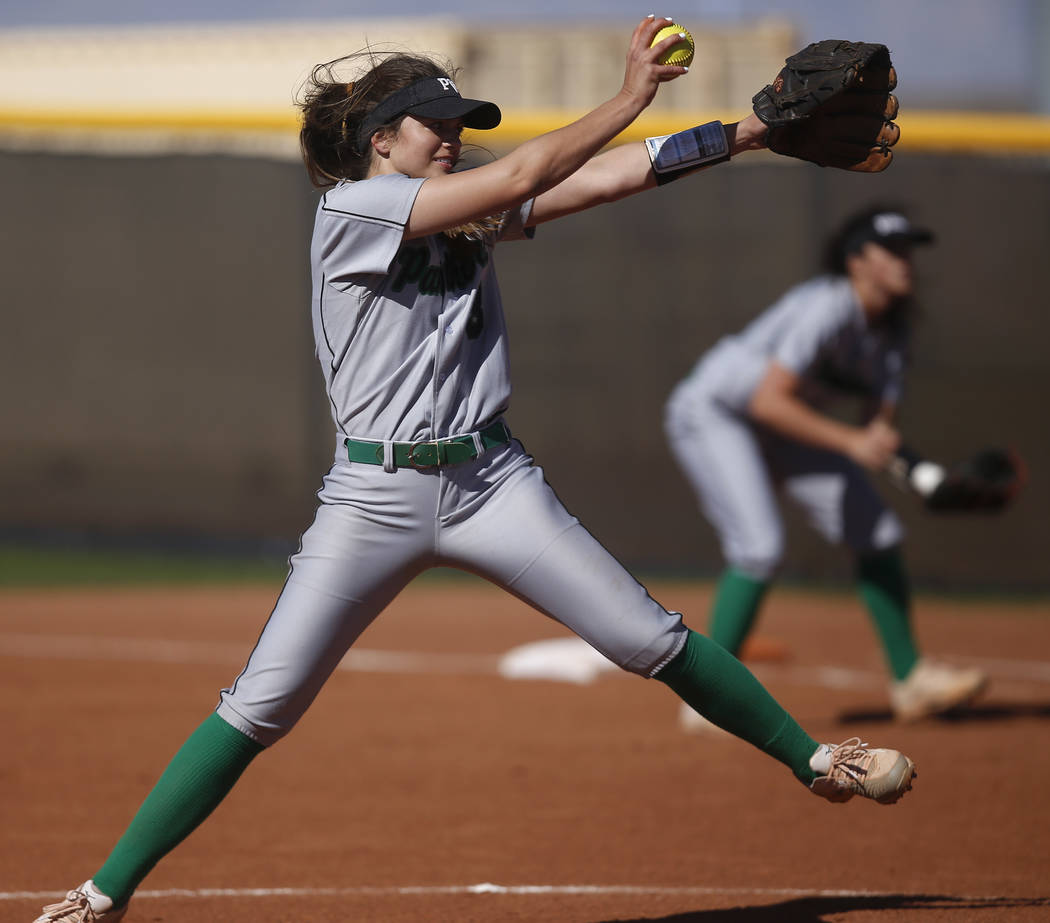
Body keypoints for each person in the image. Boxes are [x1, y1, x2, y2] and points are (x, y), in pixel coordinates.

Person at [34, 19, 915, 923]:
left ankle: (817, 761)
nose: (452, 136)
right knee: (259, 707)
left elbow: (607, 178)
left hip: (492, 482)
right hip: (373, 497)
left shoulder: (465, 210)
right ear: (382, 142)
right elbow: (529, 173)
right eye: (434, 125)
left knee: (649, 638)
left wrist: (750, 134)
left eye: (459, 123)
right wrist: (628, 97)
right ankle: (100, 896)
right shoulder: (352, 211)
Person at [664, 205, 988, 733]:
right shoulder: (828, 305)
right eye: (892, 249)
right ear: (857, 261)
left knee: (876, 530)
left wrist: (928, 478)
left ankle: (911, 681)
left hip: (785, 421)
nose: (906, 260)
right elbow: (771, 400)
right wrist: (853, 442)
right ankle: (708, 695)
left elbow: (877, 433)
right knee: (759, 545)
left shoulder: (894, 332)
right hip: (717, 412)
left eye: (910, 249)